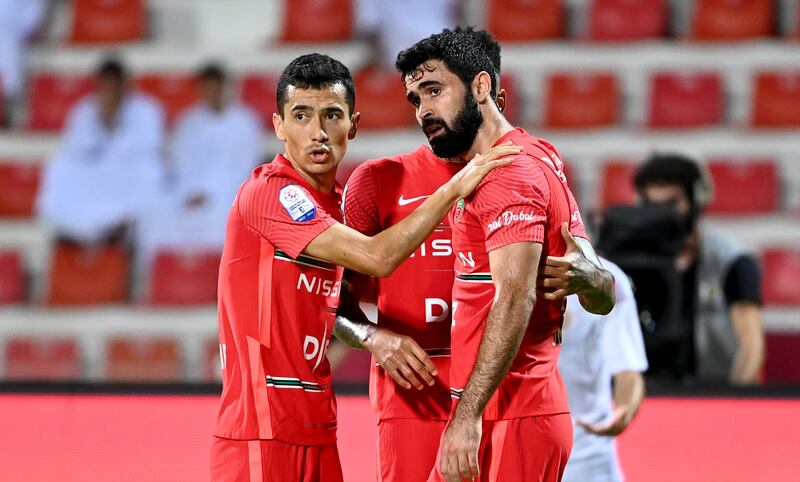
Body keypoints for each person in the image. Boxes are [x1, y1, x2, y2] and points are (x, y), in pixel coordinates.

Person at [209, 53, 519, 482]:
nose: (317, 132)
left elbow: (341, 304)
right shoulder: (269, 193)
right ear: (279, 126)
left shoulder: (334, 208)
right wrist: (452, 190)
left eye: (331, 116)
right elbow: (378, 257)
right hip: (260, 432)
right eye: (301, 116)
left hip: (317, 426)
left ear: (352, 125)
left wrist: (372, 335)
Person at [334, 26, 612, 482]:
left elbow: (535, 293)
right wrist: (373, 339)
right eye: (415, 99)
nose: (424, 110)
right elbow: (332, 300)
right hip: (413, 394)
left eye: (434, 91)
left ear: (482, 86)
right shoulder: (378, 180)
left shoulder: (519, 167)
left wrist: (597, 279)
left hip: (498, 399)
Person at [632, 153, 764, 385]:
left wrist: (735, 404)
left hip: (713, 393)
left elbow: (752, 347)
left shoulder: (732, 261)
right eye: (653, 205)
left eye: (673, 203)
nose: (664, 214)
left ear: (696, 201)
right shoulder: (633, 261)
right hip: (649, 395)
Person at [136, 63, 263, 260]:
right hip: (187, 193)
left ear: (225, 87)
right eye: (206, 88)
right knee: (153, 211)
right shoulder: (189, 122)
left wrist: (210, 193)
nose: (211, 93)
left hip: (226, 195)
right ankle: (164, 277)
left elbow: (244, 168)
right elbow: (180, 165)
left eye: (215, 87)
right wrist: (189, 192)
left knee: (227, 218)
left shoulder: (244, 122)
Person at [37, 57, 165, 245]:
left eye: (114, 85)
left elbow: (149, 150)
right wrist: (102, 122)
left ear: (124, 85)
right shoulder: (84, 110)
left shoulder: (147, 109)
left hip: (128, 171)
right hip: (94, 173)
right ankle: (78, 229)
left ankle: (122, 222)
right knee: (59, 169)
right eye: (106, 85)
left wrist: (117, 125)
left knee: (150, 173)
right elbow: (74, 151)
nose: (110, 90)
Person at [559, 258, 647, 482]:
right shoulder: (490, 270)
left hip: (587, 459)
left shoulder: (607, 279)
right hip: (514, 452)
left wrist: (625, 408)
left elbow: (628, 367)